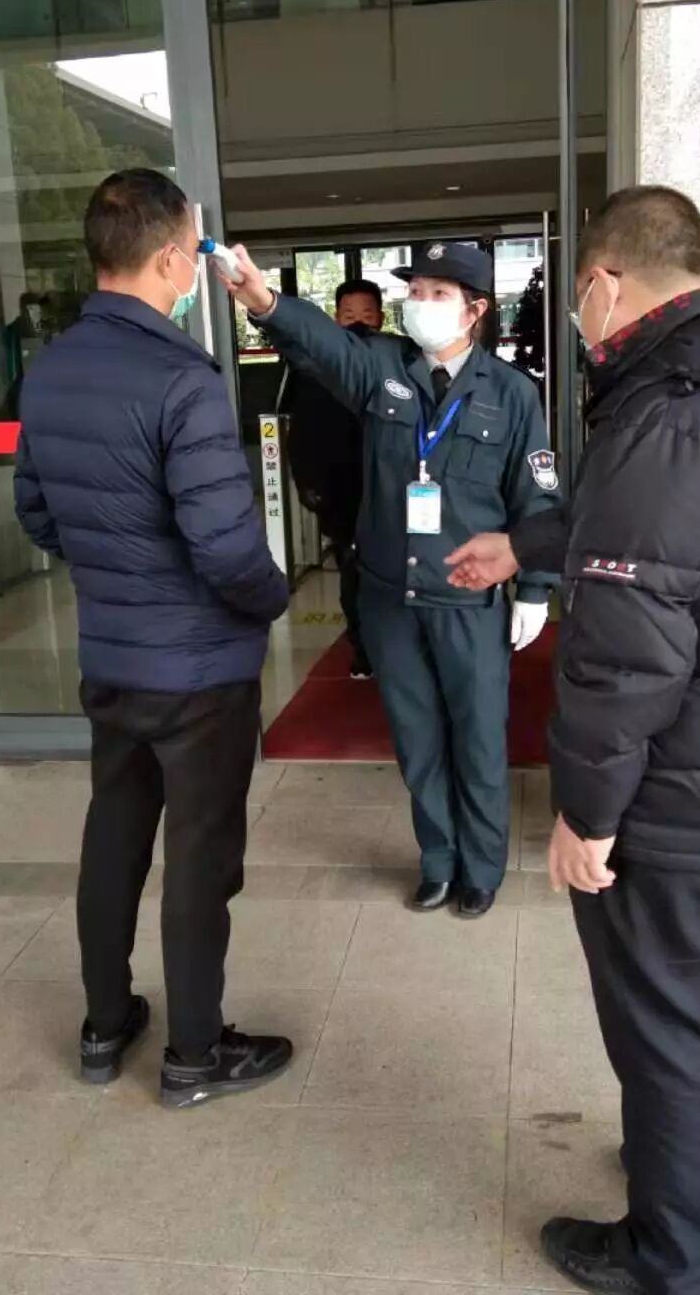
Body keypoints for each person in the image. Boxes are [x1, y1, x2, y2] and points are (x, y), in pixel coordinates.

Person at [447, 186, 700, 1294]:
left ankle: (672, 1259)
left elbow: (628, 652)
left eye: (576, 296)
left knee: (668, 1026)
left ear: (604, 281)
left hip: (674, 795)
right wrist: (521, 544)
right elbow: (668, 541)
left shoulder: (673, 413)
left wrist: (587, 815)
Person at [14, 168, 293, 1107]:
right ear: (173, 258)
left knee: (114, 839)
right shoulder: (182, 379)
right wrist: (270, 599)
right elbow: (225, 547)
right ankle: (195, 1055)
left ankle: (104, 1026)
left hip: (113, 658)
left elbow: (37, 513)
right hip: (199, 673)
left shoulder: (49, 370)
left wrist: (115, 570)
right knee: (200, 860)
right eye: (195, 252)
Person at [222, 240, 560, 919]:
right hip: (391, 597)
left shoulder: (512, 394)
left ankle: (481, 867)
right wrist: (265, 301)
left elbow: (537, 499)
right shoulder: (383, 370)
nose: (420, 304)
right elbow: (324, 345)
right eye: (415, 291)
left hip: (468, 598)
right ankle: (438, 861)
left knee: (478, 738)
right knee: (417, 738)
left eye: (438, 294)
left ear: (475, 310)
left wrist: (534, 589)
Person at [278, 278, 384, 678]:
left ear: (381, 318)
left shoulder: (398, 361)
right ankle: (363, 648)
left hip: (392, 490)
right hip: (341, 491)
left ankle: (395, 648)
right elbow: (300, 434)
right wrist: (309, 486)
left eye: (367, 315)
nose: (358, 323)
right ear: (335, 319)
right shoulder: (313, 365)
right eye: (348, 315)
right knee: (353, 569)